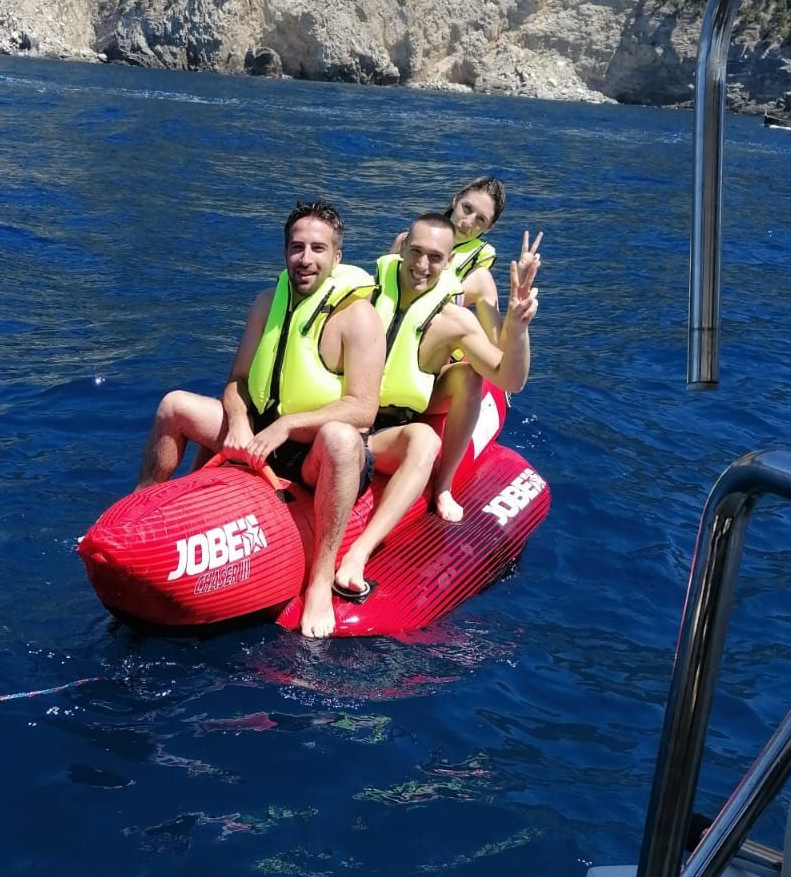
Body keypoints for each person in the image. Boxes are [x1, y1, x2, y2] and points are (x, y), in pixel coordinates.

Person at [137, 200, 384, 638]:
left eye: (318, 249)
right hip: (258, 436)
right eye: (296, 247)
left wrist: (287, 425)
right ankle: (139, 514)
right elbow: (236, 381)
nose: (305, 259)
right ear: (285, 252)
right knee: (174, 404)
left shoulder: (357, 318)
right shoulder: (267, 303)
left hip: (314, 454)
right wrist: (238, 422)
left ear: (337, 257)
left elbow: (364, 409)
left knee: (343, 439)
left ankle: (321, 582)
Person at [333, 212, 540, 599]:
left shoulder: (453, 319)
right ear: (401, 249)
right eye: (416, 252)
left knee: (461, 386)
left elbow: (510, 380)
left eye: (435, 257)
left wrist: (517, 327)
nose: (422, 265)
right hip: (344, 418)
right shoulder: (362, 293)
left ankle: (365, 548)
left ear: (449, 263)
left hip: (391, 428)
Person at [396, 175, 514, 522]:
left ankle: (443, 484)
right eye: (467, 209)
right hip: (389, 364)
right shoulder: (408, 242)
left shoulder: (478, 277)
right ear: (456, 197)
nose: (468, 223)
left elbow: (496, 346)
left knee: (473, 377)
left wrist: (517, 320)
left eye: (481, 221)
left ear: (489, 229)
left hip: (433, 375)